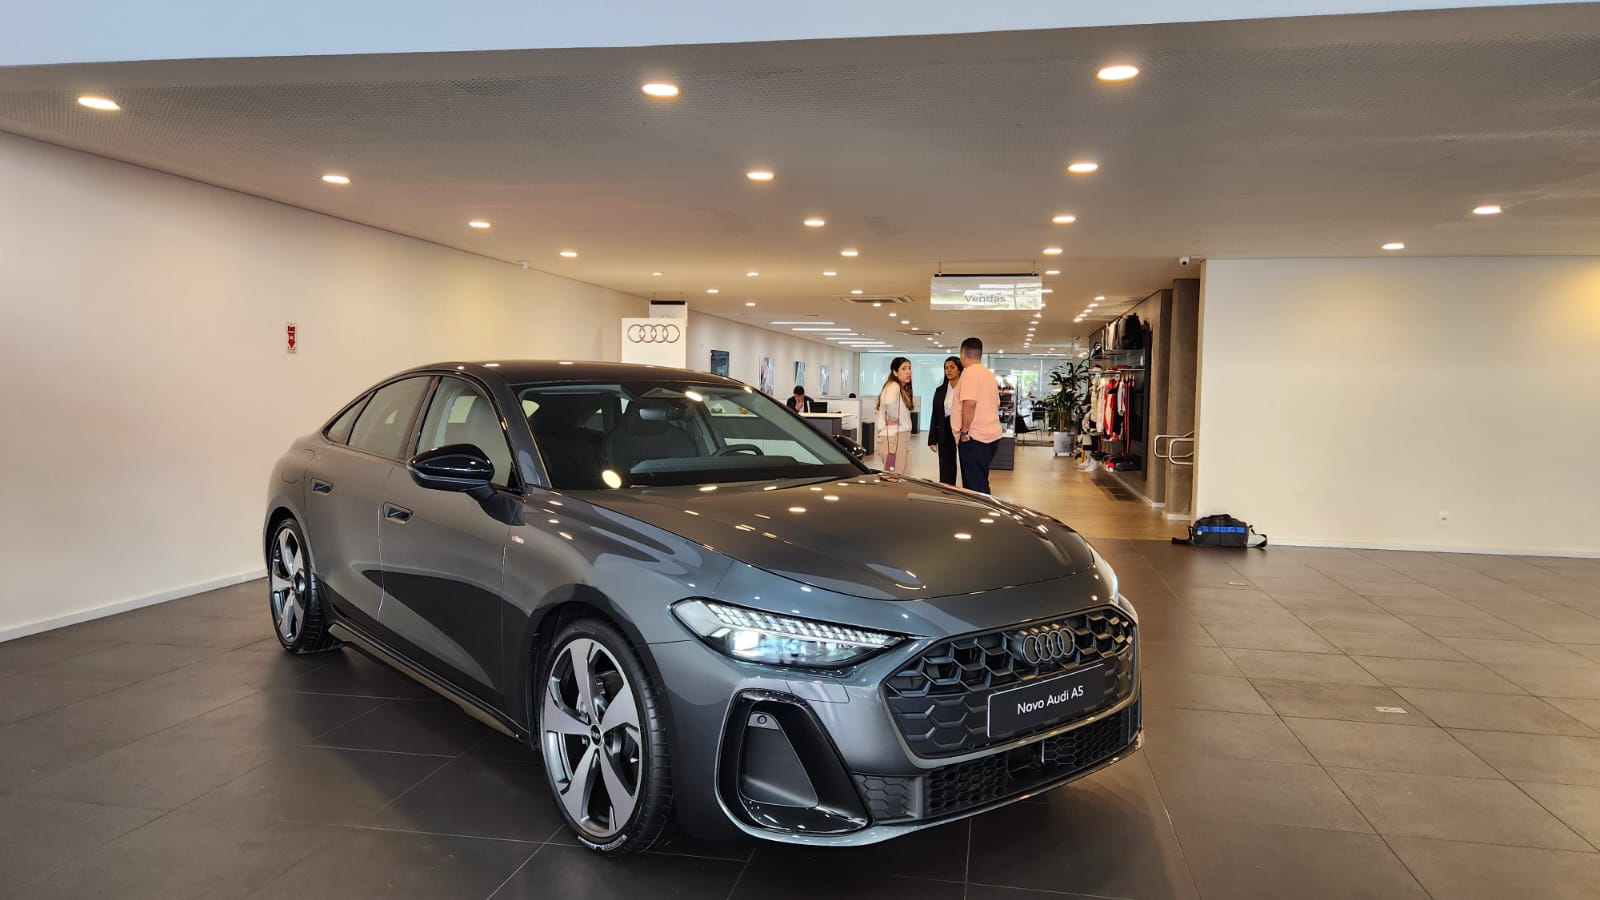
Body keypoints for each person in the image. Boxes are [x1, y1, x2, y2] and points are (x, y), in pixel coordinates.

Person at [952, 337, 1002, 493]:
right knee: (979, 480)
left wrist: (964, 432)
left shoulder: (970, 373)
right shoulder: (988, 374)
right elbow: (996, 403)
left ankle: (983, 509)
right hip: (990, 436)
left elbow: (970, 403)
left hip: (975, 438)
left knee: (975, 488)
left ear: (963, 354)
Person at [928, 356, 962, 485]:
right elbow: (935, 415)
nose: (949, 370)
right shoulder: (940, 390)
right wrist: (932, 438)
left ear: (959, 369)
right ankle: (947, 491)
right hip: (945, 429)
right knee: (946, 466)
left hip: (962, 428)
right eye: (946, 368)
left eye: (952, 367)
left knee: (967, 464)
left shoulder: (965, 388)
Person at [876, 357, 913, 472]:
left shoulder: (898, 387)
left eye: (909, 368)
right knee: (893, 477)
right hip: (894, 439)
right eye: (904, 369)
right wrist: (894, 418)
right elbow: (889, 402)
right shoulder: (893, 385)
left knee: (903, 476)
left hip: (898, 438)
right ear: (895, 372)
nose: (908, 372)